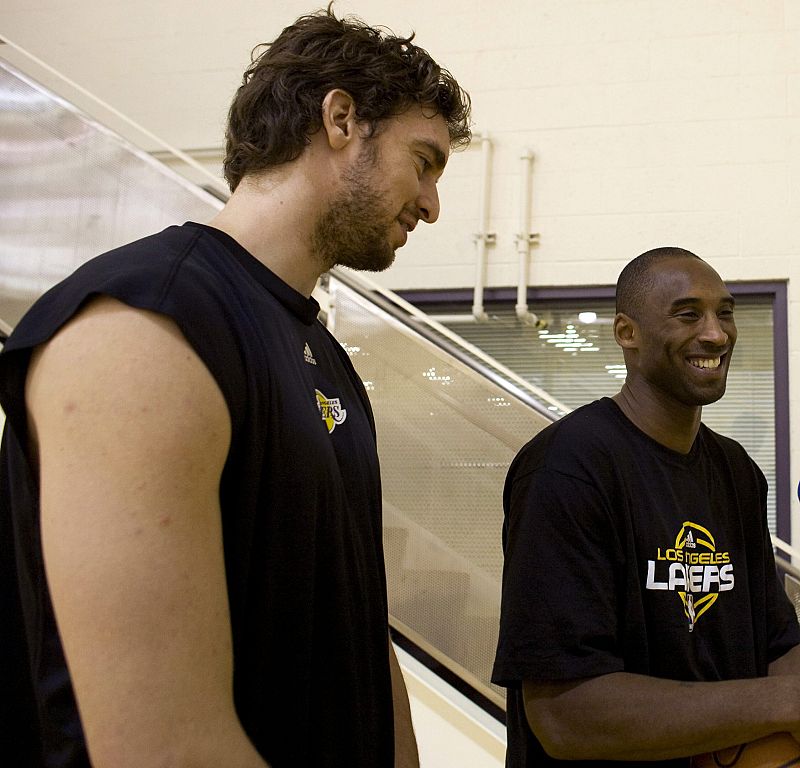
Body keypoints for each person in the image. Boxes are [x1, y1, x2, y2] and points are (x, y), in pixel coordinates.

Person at [0, 7, 471, 768]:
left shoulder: (323, 354)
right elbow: (163, 748)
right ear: (341, 119)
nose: (432, 203)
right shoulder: (145, 324)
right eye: (423, 162)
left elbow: (357, 621)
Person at [492, 247, 800, 767]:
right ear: (626, 333)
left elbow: (777, 643)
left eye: (724, 312)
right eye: (687, 314)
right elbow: (566, 718)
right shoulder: (567, 467)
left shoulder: (735, 469)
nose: (716, 334)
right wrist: (783, 704)